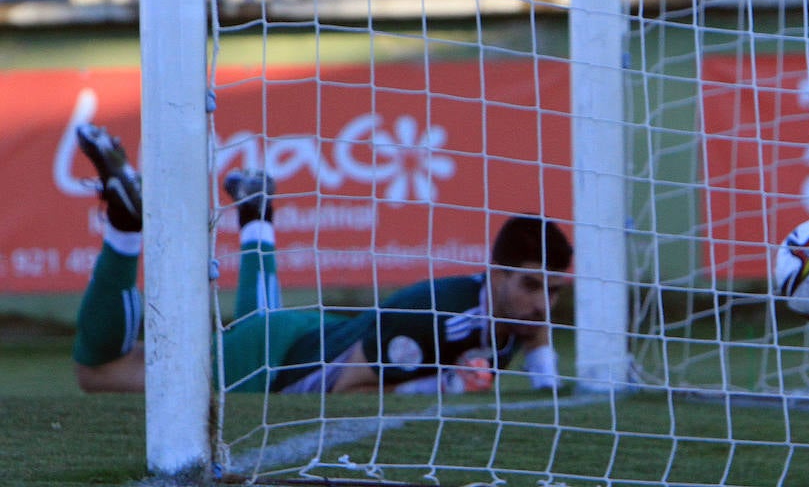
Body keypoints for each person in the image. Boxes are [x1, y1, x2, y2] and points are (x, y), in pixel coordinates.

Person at [71, 123, 572, 395]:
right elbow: (348, 389)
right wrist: (448, 391)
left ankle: (257, 215)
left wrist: (545, 376)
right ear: (497, 274)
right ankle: (125, 228)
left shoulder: (511, 312)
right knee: (99, 373)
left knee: (260, 321)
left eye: (553, 291)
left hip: (299, 333)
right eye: (532, 287)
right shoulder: (435, 319)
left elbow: (535, 330)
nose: (543, 306)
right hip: (274, 362)